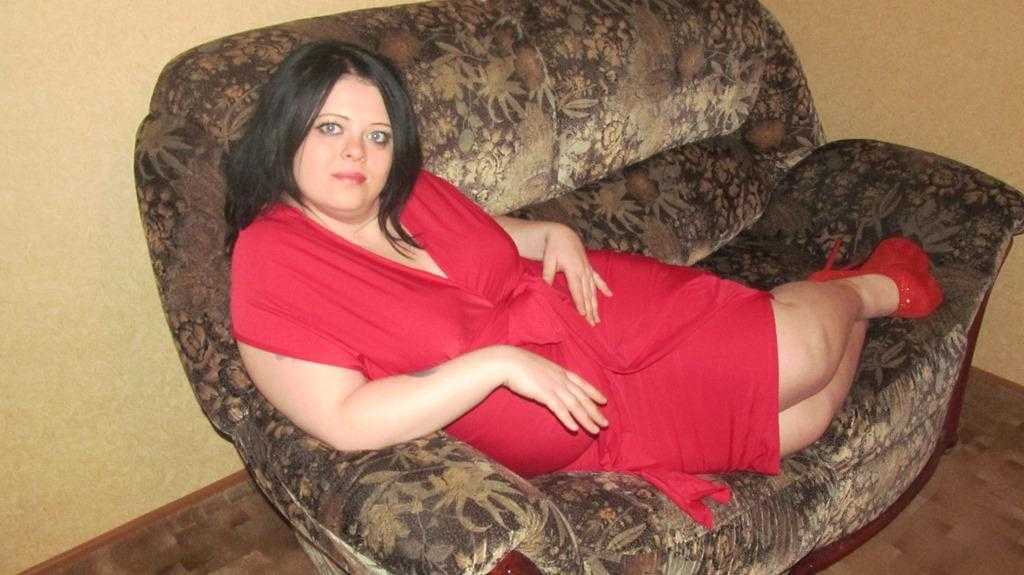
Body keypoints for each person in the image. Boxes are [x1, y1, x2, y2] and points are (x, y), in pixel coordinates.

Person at [224, 41, 943, 527]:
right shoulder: (271, 260)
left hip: (600, 313)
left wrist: (553, 234)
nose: (358, 152)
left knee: (805, 357)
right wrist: (496, 364)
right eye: (331, 128)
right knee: (804, 420)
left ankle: (869, 288)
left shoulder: (407, 191)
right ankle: (844, 296)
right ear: (287, 130)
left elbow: (496, 239)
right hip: (578, 416)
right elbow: (345, 419)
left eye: (378, 135)